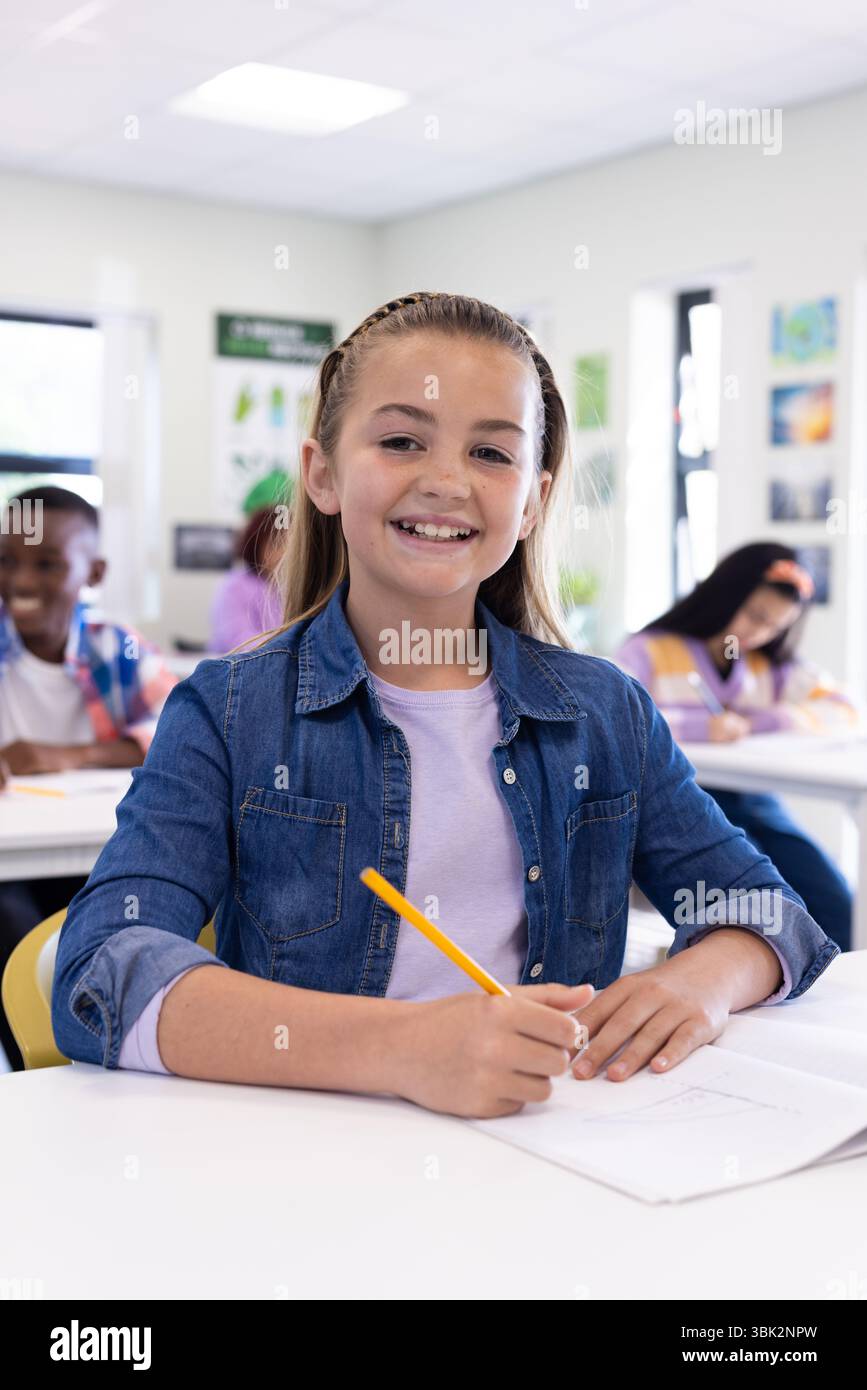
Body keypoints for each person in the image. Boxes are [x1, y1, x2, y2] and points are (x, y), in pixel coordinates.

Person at [53, 295, 838, 1118]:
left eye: (491, 453)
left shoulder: (606, 712)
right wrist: (402, 1048)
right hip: (310, 1151)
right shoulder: (229, 710)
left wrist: (701, 981)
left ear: (531, 503)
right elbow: (102, 969)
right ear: (321, 474)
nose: (446, 481)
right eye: (401, 441)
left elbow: (765, 911)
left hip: (556, 1146)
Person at [0, 485, 177, 1070]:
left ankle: (103, 1065)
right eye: (6, 560)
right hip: (10, 861)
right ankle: (40, 1065)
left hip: (91, 853)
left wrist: (62, 755)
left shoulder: (115, 649)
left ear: (93, 572)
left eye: (47, 563)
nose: (22, 580)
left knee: (117, 925)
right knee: (14, 930)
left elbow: (173, 732)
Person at [614, 542, 859, 952]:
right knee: (758, 913)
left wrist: (762, 720)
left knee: (837, 907)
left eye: (775, 626)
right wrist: (701, 726)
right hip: (683, 801)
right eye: (756, 615)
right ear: (725, 595)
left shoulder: (767, 666)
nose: (759, 633)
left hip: (757, 801)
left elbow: (845, 708)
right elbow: (616, 715)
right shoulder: (650, 650)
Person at [208, 506, 284, 654]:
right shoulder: (234, 587)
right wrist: (287, 647)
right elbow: (238, 641)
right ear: (255, 545)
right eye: (276, 545)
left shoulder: (285, 587)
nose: (284, 552)